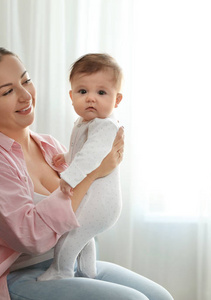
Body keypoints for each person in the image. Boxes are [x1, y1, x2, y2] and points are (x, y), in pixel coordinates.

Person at [0, 44, 173, 300]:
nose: (25, 96)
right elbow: (30, 237)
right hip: (16, 274)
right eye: (8, 91)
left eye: (26, 81)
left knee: (161, 297)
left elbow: (86, 207)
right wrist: (95, 172)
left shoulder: (48, 145)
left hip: (64, 262)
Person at [37, 54, 123, 281]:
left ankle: (61, 270)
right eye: (83, 92)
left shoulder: (105, 125)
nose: (91, 99)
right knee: (84, 236)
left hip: (102, 202)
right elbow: (83, 151)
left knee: (72, 234)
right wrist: (66, 156)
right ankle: (87, 272)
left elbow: (92, 155)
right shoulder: (85, 122)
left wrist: (69, 177)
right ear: (71, 96)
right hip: (94, 200)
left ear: (117, 100)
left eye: (101, 92)